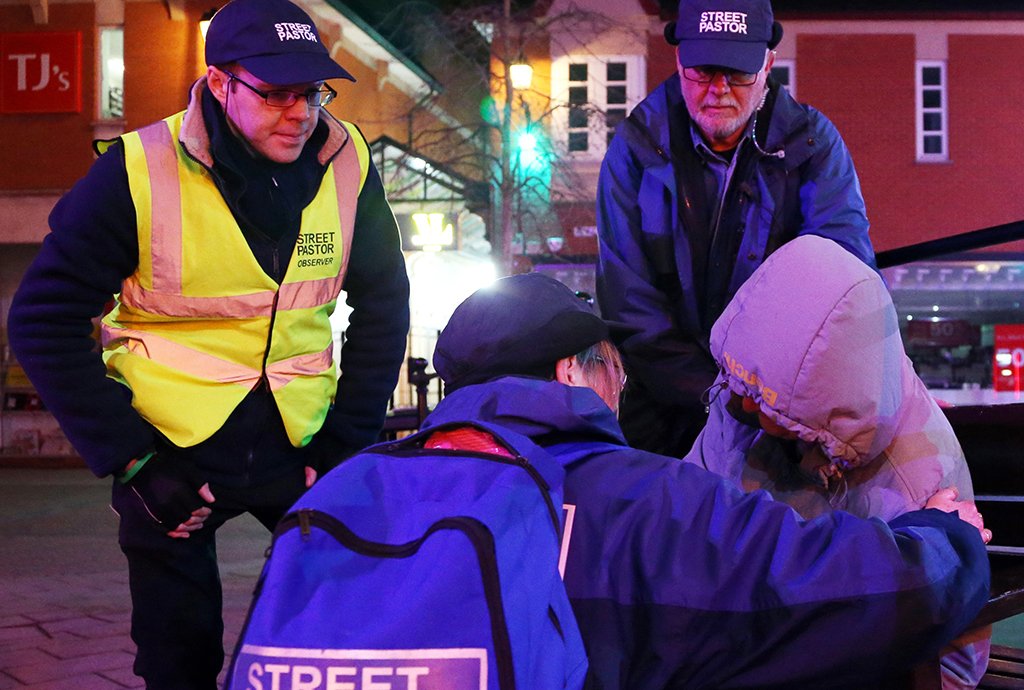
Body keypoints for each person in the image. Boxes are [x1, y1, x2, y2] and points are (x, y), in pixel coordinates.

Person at [5, 0, 409, 686]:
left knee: (336, 636)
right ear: (220, 83)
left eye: (311, 92)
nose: (300, 113)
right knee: (177, 655)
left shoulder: (347, 162)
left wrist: (347, 438)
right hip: (171, 449)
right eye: (275, 94)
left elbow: (385, 303)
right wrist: (131, 461)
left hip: (302, 440)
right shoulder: (138, 169)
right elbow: (41, 316)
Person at [422, 272, 990, 689]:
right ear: (569, 371)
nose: (621, 386)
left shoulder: (358, 488)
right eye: (610, 363)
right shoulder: (639, 504)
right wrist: (945, 537)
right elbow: (818, 579)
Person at [683, 234, 991, 688]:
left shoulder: (914, 478)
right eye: (742, 383)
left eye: (764, 399)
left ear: (825, 393)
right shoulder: (745, 394)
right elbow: (686, 525)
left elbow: (950, 668)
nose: (743, 405)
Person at [596, 0, 875, 459]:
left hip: (778, 414)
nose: (718, 91)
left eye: (738, 73)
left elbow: (843, 283)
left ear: (768, 63)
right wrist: (722, 399)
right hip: (660, 413)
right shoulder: (634, 149)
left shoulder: (814, 145)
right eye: (702, 71)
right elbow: (630, 307)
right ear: (679, 60)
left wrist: (769, 399)